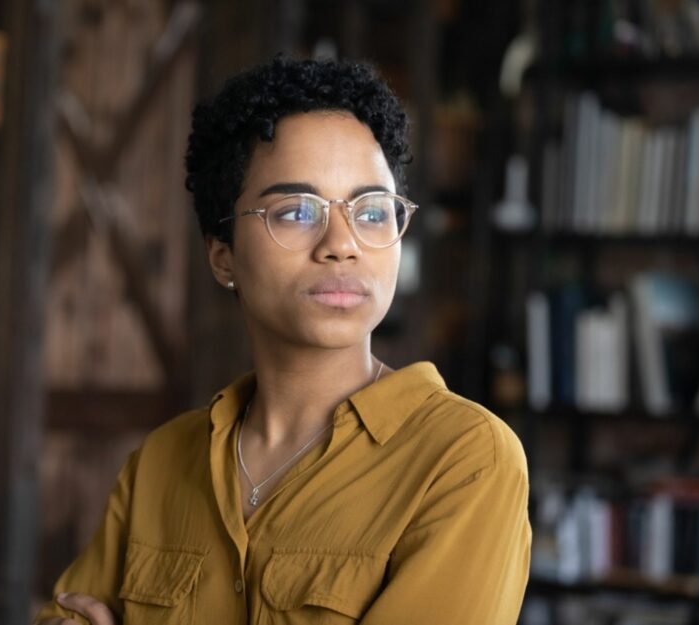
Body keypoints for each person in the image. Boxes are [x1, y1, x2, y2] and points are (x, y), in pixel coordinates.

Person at [34, 55, 531, 625]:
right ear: (224, 255)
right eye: (297, 210)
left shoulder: (464, 460)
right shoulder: (161, 464)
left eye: (372, 211)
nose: (342, 244)